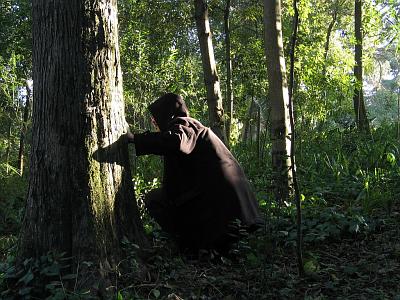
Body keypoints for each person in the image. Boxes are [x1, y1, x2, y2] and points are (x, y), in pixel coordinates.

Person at [126, 93, 263, 254]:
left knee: (154, 199)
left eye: (156, 118)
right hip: (234, 206)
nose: (154, 122)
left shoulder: (184, 125)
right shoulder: (193, 127)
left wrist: (136, 139)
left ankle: (190, 247)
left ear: (168, 114)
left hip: (222, 204)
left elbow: (175, 141)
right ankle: (204, 247)